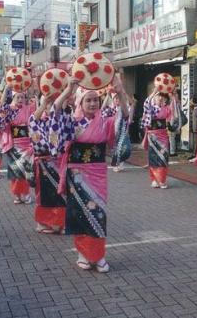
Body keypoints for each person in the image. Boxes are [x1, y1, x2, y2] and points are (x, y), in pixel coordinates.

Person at [49, 75, 129, 272]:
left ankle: (98, 256)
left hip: (98, 174)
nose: (93, 103)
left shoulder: (105, 121)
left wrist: (120, 92)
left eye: (96, 100)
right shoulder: (73, 122)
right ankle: (83, 254)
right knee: (79, 215)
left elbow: (125, 117)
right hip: (76, 175)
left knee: (98, 213)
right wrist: (68, 90)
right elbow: (55, 112)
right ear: (80, 102)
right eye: (88, 100)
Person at [29, 93, 66, 234]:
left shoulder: (60, 120)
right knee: (43, 195)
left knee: (60, 194)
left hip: (58, 161)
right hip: (43, 162)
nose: (50, 106)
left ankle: (59, 223)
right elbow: (32, 120)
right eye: (47, 103)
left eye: (52, 103)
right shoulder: (39, 120)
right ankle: (43, 222)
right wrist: (44, 103)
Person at [0, 87, 35, 204]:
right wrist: (6, 89)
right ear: (13, 98)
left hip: (27, 146)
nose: (20, 99)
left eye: (22, 97)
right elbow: (1, 113)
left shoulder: (29, 109)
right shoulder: (9, 110)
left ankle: (26, 193)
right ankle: (17, 195)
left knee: (25, 171)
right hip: (14, 146)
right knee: (14, 172)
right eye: (17, 97)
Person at [140, 88, 176, 189]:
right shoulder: (152, 108)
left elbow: (174, 110)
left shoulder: (166, 108)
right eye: (158, 96)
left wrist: (172, 97)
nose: (160, 99)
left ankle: (162, 180)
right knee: (153, 157)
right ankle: (154, 179)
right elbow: (146, 104)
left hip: (163, 135)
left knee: (163, 157)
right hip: (153, 135)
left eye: (162, 97)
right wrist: (153, 92)